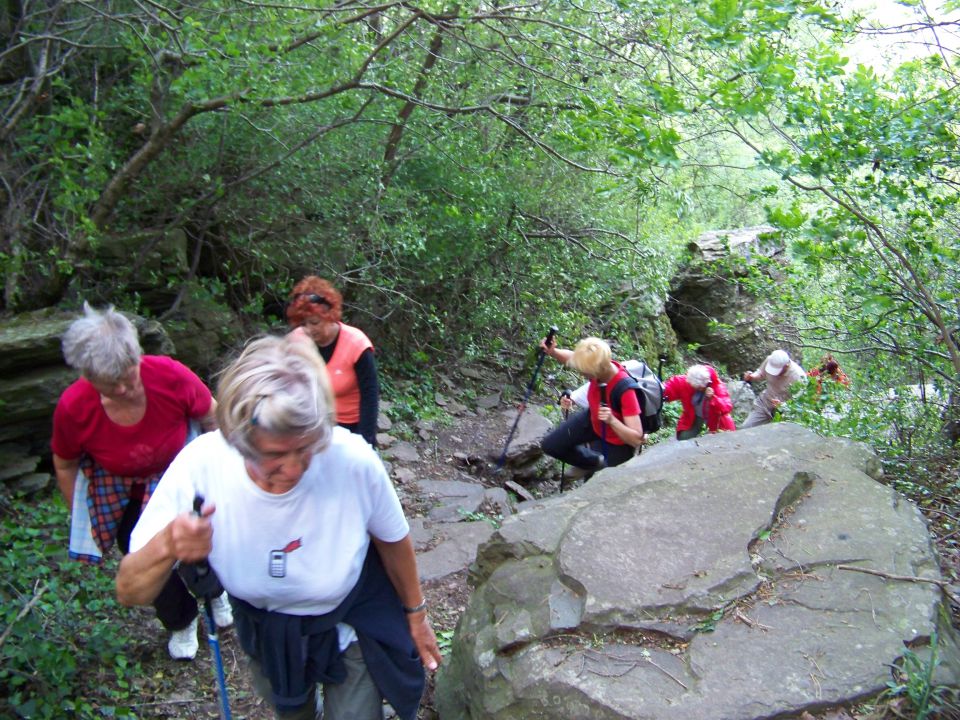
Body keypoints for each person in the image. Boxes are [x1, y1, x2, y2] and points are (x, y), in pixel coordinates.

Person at [116, 335, 440, 720]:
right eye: (274, 456)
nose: (294, 468)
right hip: (265, 629)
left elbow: (392, 538)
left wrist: (416, 615)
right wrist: (169, 542)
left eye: (305, 449)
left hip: (352, 620)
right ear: (238, 439)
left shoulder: (351, 459)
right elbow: (130, 589)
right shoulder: (203, 465)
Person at [51, 302, 230, 661]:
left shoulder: (170, 376)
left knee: (200, 540)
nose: (122, 388)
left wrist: (221, 473)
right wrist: (81, 513)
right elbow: (66, 462)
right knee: (142, 553)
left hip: (178, 472)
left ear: (138, 356)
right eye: (109, 384)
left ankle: (216, 594)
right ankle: (180, 621)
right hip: (122, 489)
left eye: (128, 376)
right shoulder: (74, 407)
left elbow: (214, 418)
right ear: (88, 376)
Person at [286, 276, 379, 447]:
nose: (309, 330)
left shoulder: (356, 344)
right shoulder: (297, 341)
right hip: (314, 423)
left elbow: (370, 396)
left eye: (314, 323)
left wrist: (365, 442)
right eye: (304, 324)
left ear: (330, 316)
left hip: (351, 424)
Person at [540, 336, 645, 474]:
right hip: (593, 419)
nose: (581, 374)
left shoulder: (625, 390)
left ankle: (595, 468)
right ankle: (595, 462)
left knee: (602, 486)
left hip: (617, 441)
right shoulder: (598, 365)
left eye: (584, 372)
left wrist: (612, 420)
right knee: (551, 445)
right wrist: (553, 352)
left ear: (597, 371)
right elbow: (572, 358)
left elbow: (636, 439)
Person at [663, 364, 736, 440]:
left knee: (723, 440)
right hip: (694, 416)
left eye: (700, 388)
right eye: (695, 387)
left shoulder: (717, 386)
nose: (697, 389)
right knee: (683, 437)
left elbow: (726, 407)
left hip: (716, 419)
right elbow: (670, 387)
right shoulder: (688, 382)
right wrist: (660, 390)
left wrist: (713, 398)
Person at [741, 349, 806, 428]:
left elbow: (799, 402)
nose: (775, 374)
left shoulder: (798, 377)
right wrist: (752, 376)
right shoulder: (770, 361)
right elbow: (761, 373)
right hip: (764, 403)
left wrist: (783, 405)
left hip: (784, 412)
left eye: (778, 371)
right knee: (746, 428)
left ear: (786, 366)